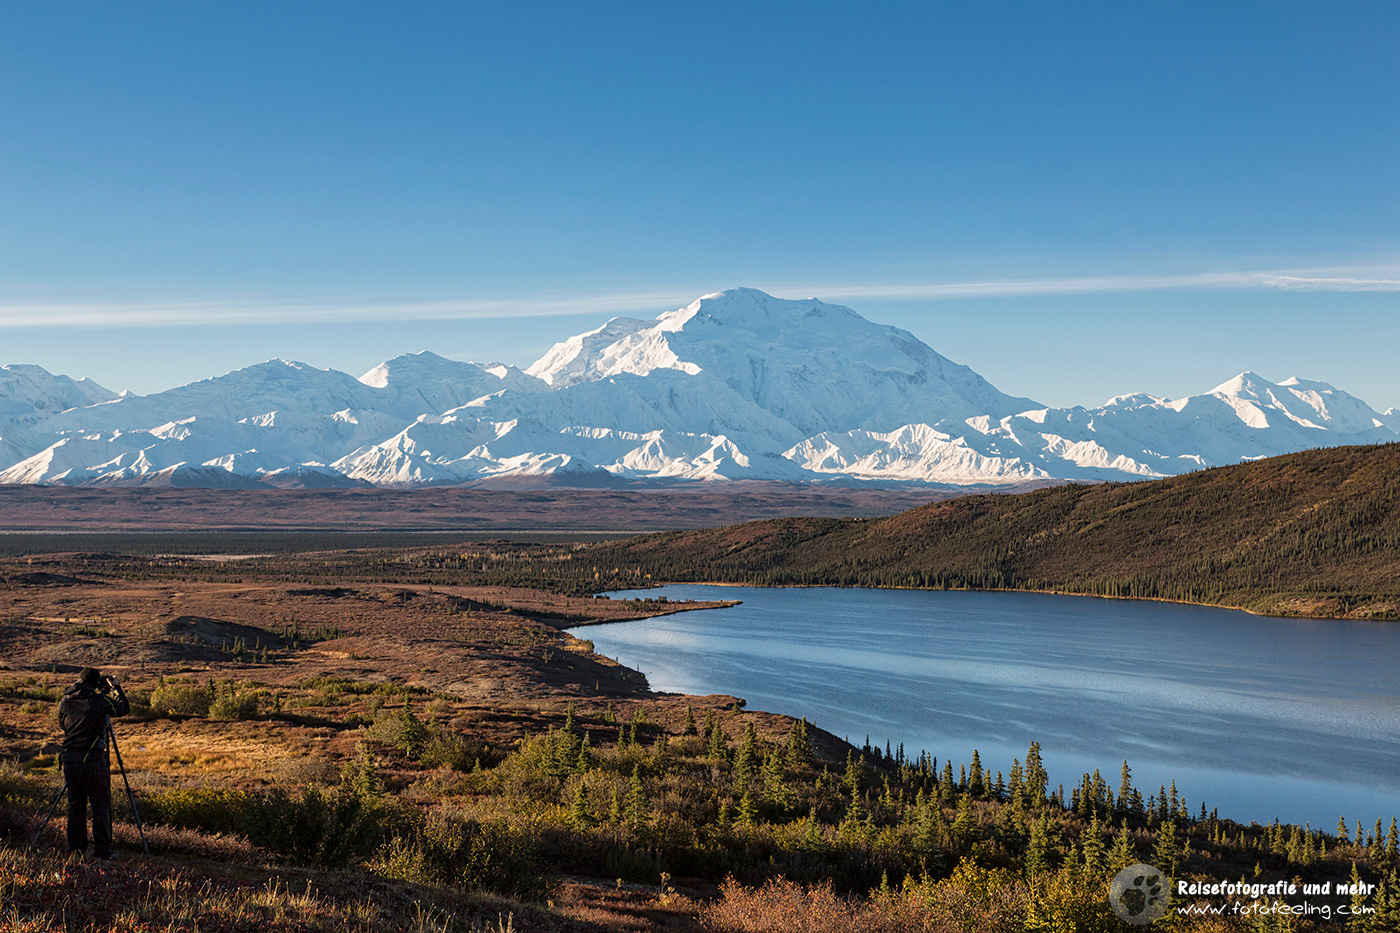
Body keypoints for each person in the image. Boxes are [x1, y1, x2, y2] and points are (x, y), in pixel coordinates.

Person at [57, 667, 130, 859]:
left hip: (70, 760)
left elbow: (63, 725)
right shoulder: (99, 701)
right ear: (96, 684)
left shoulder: (65, 701)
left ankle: (76, 852)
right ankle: (102, 853)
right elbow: (123, 709)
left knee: (76, 806)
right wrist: (115, 688)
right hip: (93, 761)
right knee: (100, 806)